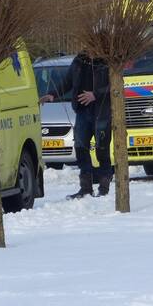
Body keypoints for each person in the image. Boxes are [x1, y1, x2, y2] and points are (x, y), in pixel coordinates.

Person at [40, 52, 113, 197]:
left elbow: (114, 85)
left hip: (101, 111)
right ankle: (86, 187)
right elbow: (67, 82)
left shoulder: (107, 60)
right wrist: (53, 94)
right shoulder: (79, 60)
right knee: (80, 147)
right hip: (82, 112)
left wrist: (95, 95)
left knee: (102, 148)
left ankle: (104, 186)